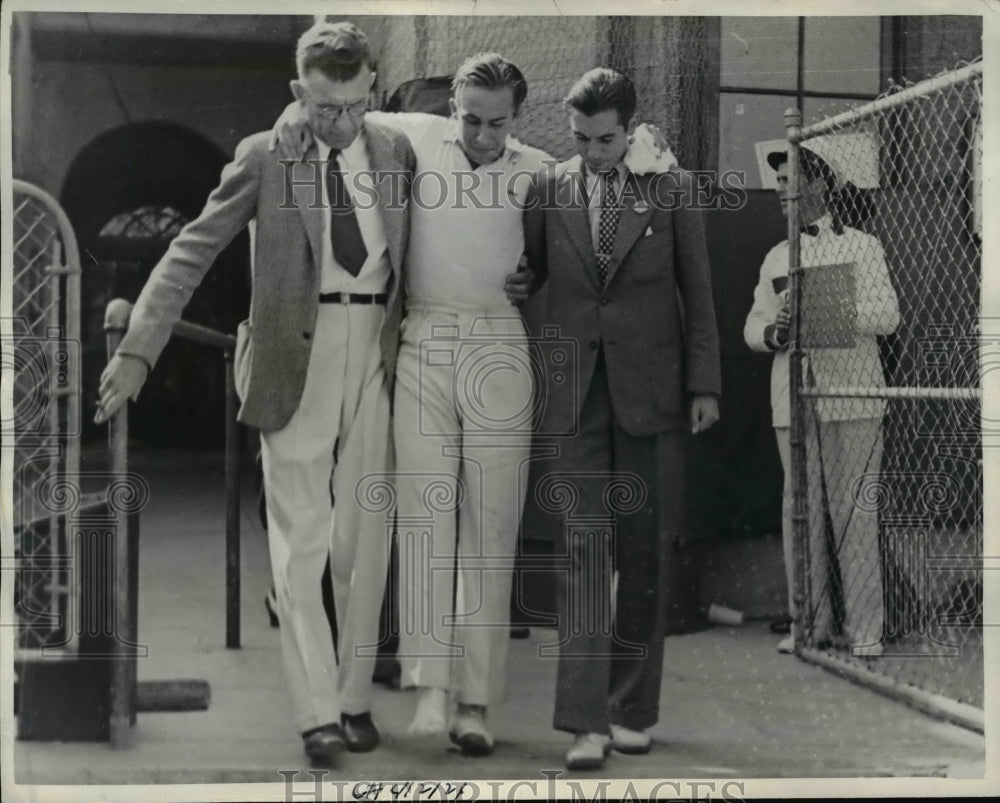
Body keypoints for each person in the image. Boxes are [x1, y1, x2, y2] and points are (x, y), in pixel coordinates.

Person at [95, 22, 416, 766]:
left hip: (376, 354)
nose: (343, 122)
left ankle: (355, 693)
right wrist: (142, 348)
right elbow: (190, 250)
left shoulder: (394, 151)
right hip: (289, 357)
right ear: (300, 93)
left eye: (357, 105)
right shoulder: (268, 157)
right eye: (328, 107)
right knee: (299, 541)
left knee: (364, 539)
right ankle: (317, 716)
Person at [271, 52, 549, 755]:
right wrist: (289, 122)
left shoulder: (540, 170)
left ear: (518, 117)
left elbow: (601, 179)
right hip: (422, 339)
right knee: (425, 517)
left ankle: (476, 703)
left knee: (491, 527)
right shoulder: (413, 137)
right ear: (452, 106)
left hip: (498, 346)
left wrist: (651, 148)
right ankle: (429, 685)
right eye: (471, 119)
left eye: (498, 123)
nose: (483, 135)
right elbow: (330, 108)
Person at [522, 68, 721, 771]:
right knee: (581, 552)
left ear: (629, 129)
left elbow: (697, 293)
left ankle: (633, 708)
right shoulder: (549, 188)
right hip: (575, 393)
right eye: (581, 139)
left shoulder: (670, 190)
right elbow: (533, 270)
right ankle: (585, 722)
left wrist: (705, 385)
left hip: (654, 391)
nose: (593, 151)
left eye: (605, 139)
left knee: (643, 547)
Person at [743, 140, 899, 657]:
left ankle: (865, 632)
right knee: (800, 515)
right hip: (794, 400)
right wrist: (776, 332)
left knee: (856, 514)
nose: (782, 189)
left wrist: (825, 308)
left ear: (821, 183)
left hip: (853, 399)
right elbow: (754, 324)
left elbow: (887, 317)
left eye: (791, 179)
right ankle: (806, 626)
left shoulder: (864, 246)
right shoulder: (774, 256)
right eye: (779, 182)